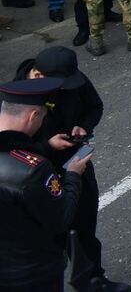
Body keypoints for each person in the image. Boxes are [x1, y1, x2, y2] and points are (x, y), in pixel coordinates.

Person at [0, 78, 91, 292]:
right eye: (42, 117)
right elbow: (61, 217)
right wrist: (73, 175)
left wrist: (46, 147)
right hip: (32, 273)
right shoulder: (34, 170)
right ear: (33, 116)